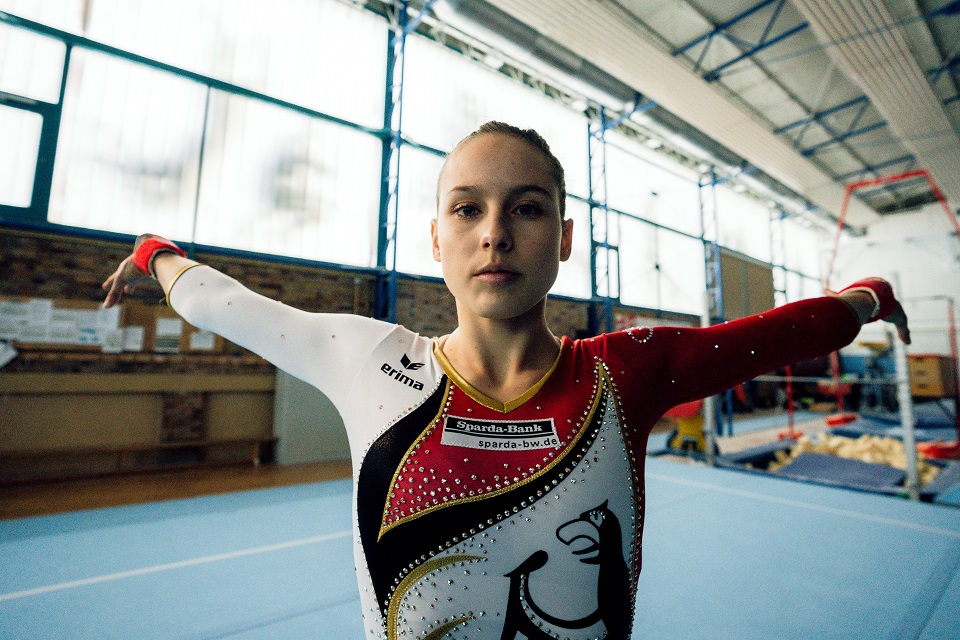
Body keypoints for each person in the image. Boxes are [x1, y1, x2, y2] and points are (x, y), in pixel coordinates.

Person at [103, 121, 910, 640]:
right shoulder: (368, 360)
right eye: (467, 210)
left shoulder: (623, 374)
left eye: (524, 210)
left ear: (561, 238)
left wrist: (869, 296)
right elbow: (230, 303)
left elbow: (771, 336)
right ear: (435, 239)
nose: (494, 234)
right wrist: (153, 253)